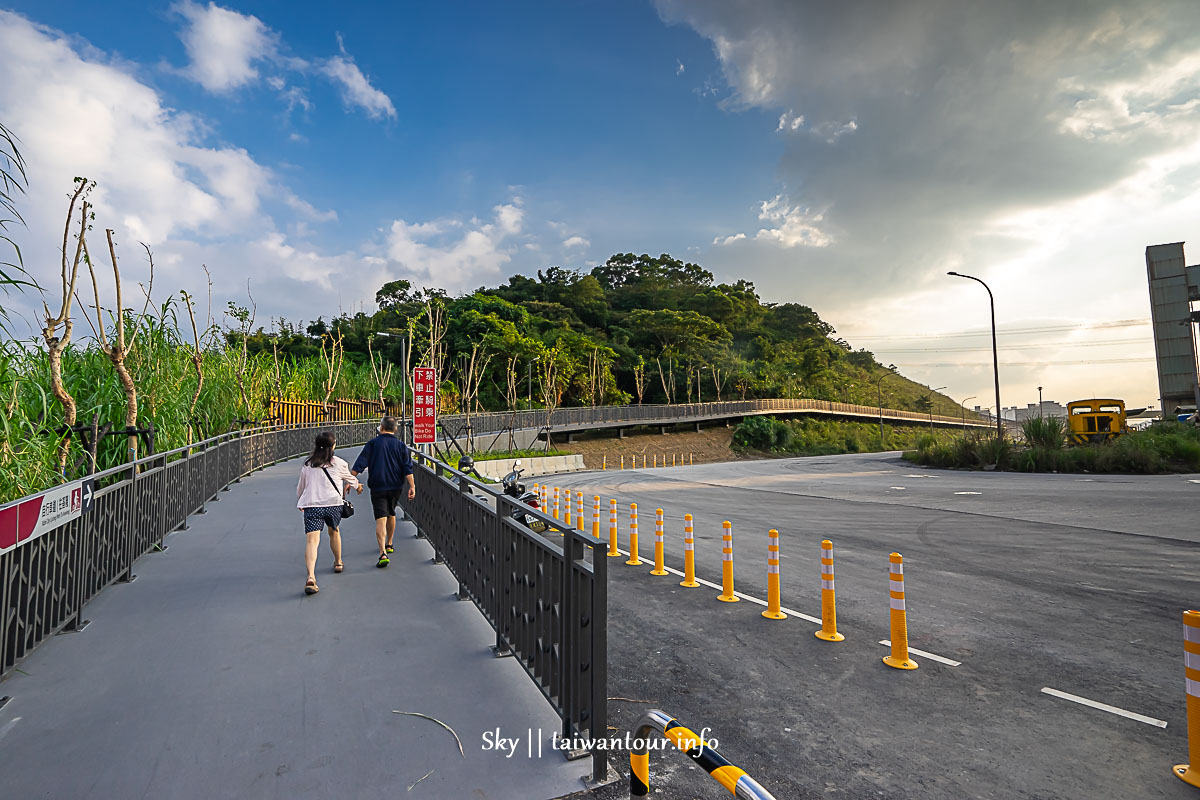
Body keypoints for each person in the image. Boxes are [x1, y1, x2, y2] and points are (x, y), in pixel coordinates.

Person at [296, 431, 362, 595]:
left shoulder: (308, 464)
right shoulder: (339, 463)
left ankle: (311, 577)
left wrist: (303, 501)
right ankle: (338, 562)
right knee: (334, 531)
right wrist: (358, 487)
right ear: (333, 446)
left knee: (312, 541)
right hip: (333, 504)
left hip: (312, 505)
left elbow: (301, 489)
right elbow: (351, 479)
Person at [351, 416, 415, 567]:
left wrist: (350, 481)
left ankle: (382, 553)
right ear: (395, 429)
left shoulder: (372, 444)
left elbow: (360, 464)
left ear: (381, 427)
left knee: (381, 518)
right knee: (391, 512)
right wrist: (412, 486)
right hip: (396, 487)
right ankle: (390, 543)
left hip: (378, 486)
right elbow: (407, 468)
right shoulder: (400, 446)